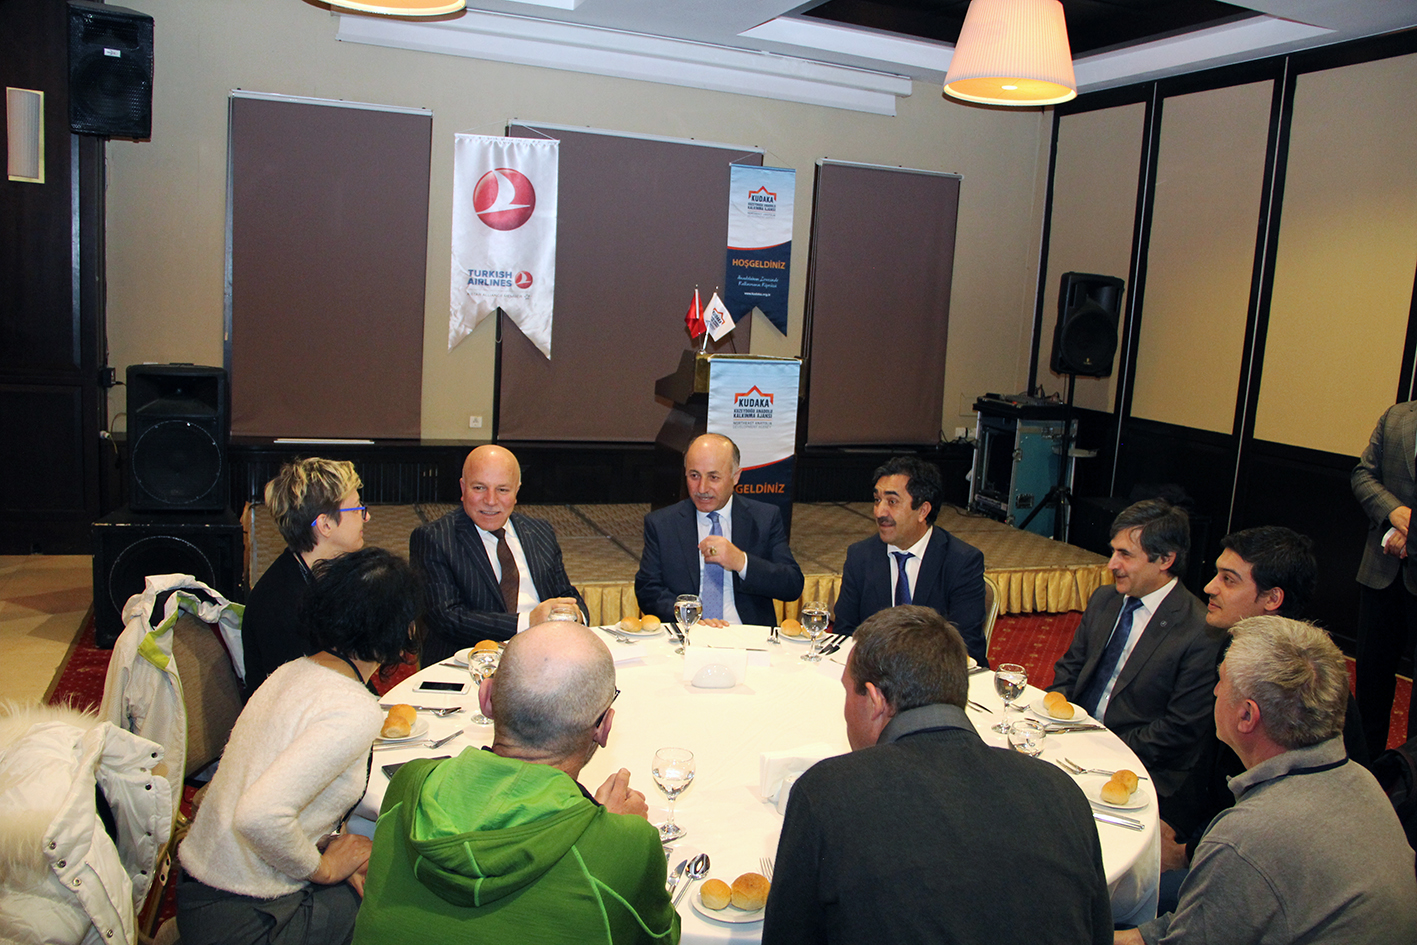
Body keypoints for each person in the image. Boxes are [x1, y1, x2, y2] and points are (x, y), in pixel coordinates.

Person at [762, 605, 1112, 945]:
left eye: (846, 691)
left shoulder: (828, 792)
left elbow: (788, 935)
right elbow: (1099, 933)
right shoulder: (1060, 790)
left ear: (875, 700)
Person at [353, 622, 679, 945]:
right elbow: (662, 937)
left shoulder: (410, 783)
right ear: (604, 727)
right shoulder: (627, 845)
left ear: (486, 699)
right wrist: (611, 833)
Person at [1117, 616, 1417, 945]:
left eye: (1221, 680)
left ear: (1247, 715)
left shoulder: (1246, 837)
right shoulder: (1361, 780)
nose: (1214, 691)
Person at [177, 548, 421, 945]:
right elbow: (258, 816)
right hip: (247, 917)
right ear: (398, 629)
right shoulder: (354, 708)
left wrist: (330, 847)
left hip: (201, 888)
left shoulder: (291, 671)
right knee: (404, 894)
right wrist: (324, 869)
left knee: (366, 861)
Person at [1049, 499, 1218, 797]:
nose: (1112, 564)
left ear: (1165, 560)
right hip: (1072, 741)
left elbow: (1178, 729)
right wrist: (1052, 717)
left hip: (1137, 767)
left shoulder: (1199, 630)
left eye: (1125, 554)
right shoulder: (1105, 599)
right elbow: (1070, 667)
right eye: (1114, 551)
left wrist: (1101, 748)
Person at [410, 445, 586, 665]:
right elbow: (447, 619)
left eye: (502, 490)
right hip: (470, 666)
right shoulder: (434, 538)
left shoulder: (539, 531)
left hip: (545, 660)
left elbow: (566, 594)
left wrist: (575, 615)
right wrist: (527, 622)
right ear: (463, 488)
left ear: (516, 492)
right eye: (479, 488)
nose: (491, 500)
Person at [635, 433, 804, 627]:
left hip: (746, 634)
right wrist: (689, 616)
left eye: (713, 477)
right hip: (690, 631)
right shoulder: (662, 523)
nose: (702, 488)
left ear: (735, 477)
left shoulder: (764, 518)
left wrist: (741, 562)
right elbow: (648, 590)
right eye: (694, 476)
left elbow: (792, 585)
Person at [832, 456, 988, 665]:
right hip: (874, 674)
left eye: (892, 502)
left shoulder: (961, 561)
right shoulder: (860, 556)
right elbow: (845, 634)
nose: (879, 512)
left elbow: (965, 647)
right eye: (877, 500)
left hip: (936, 676)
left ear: (923, 511)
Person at [242, 457, 368, 696]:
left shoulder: (329, 575)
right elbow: (302, 697)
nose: (366, 517)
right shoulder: (279, 603)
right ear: (325, 525)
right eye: (356, 509)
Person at [1352, 400, 1417, 757]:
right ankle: (1365, 769)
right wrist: (1395, 513)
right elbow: (1363, 475)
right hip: (1381, 573)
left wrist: (1413, 534)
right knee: (1371, 682)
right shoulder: (1397, 417)